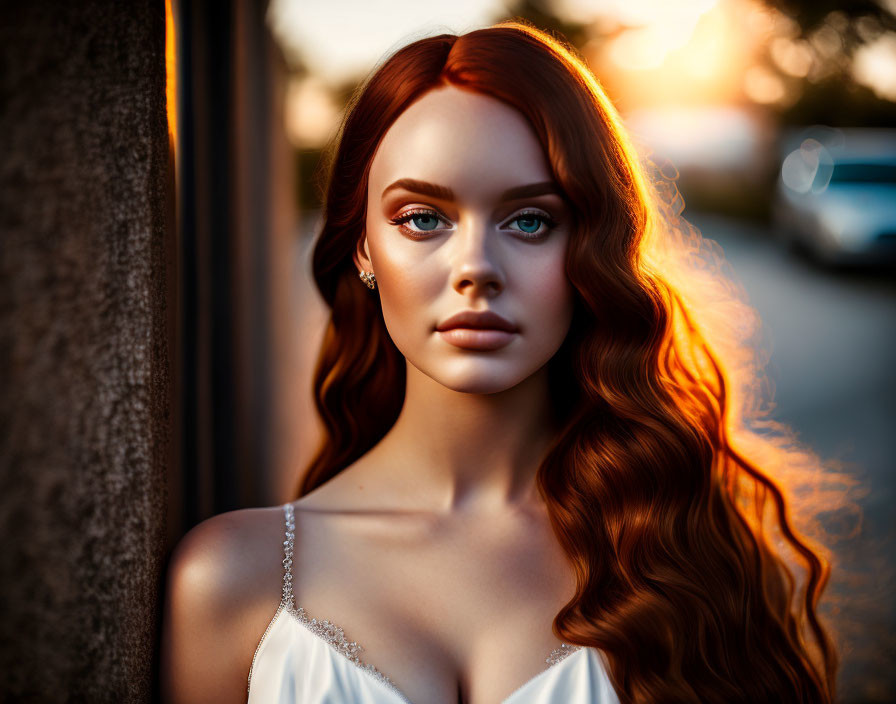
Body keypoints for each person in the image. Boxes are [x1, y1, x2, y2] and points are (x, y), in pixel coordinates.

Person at [161, 20, 838, 704]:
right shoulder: (230, 581)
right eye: (422, 218)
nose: (475, 270)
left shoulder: (686, 554)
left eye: (530, 221)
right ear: (362, 249)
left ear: (592, 250)